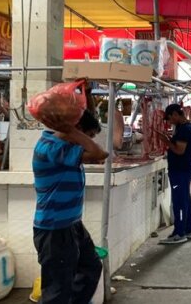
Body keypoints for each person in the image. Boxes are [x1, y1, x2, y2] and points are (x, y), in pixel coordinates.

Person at [32, 110, 109, 303]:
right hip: (55, 230)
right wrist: (68, 129)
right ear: (76, 130)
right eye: (87, 136)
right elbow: (100, 154)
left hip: (72, 224)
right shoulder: (52, 148)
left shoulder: (63, 146)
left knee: (90, 267)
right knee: (58, 290)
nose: (86, 141)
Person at [158, 104, 191, 244]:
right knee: (185, 199)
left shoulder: (184, 129)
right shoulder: (184, 128)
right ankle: (189, 229)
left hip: (180, 170)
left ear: (176, 114)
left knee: (179, 202)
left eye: (170, 118)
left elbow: (179, 150)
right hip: (184, 169)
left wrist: (167, 142)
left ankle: (180, 233)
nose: (170, 122)